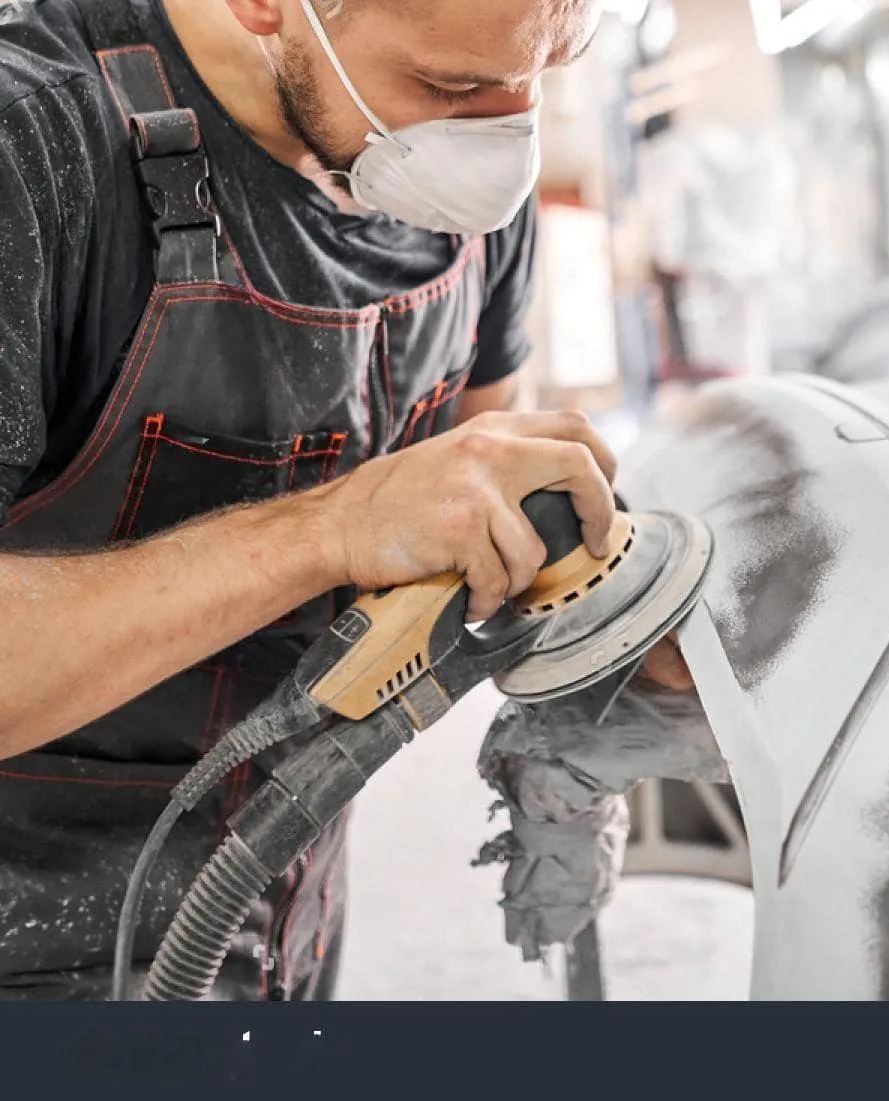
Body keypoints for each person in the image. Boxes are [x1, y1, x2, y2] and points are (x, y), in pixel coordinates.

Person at [0, 0, 622, 1000]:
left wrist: (593, 690)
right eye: (450, 88)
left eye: (551, 67)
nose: (506, 134)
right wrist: (332, 530)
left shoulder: (463, 197)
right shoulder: (35, 149)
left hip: (286, 914)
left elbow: (490, 504)